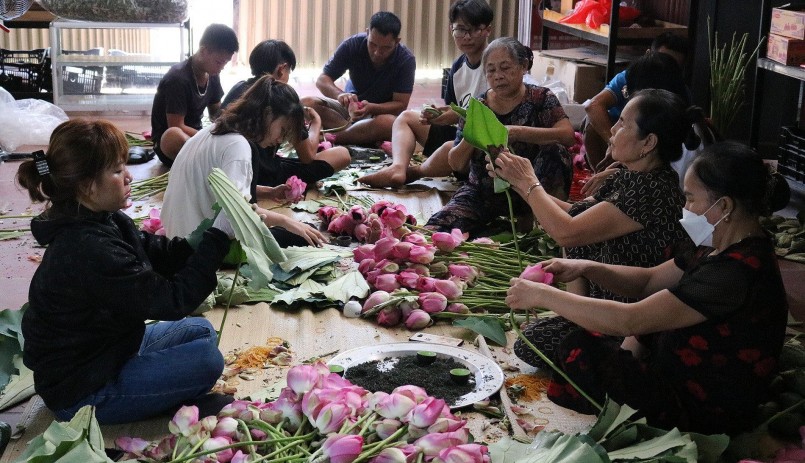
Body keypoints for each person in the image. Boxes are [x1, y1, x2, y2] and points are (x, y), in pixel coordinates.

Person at [506, 141, 791, 435]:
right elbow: (649, 280)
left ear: (725, 206)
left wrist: (542, 294)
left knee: (579, 350)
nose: (685, 208)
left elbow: (629, 320)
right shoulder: (717, 247)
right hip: (674, 364)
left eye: (691, 199)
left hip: (704, 406)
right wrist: (587, 268)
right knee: (587, 345)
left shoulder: (736, 271)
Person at [16, 119, 236, 424]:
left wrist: (201, 237)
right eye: (118, 170)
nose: (129, 176)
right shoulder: (87, 249)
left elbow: (159, 253)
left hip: (109, 349)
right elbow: (173, 301)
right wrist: (217, 241)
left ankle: (155, 390)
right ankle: (146, 402)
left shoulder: (101, 218)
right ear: (87, 186)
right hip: (82, 389)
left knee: (201, 332)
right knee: (207, 361)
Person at [490, 89, 699, 301]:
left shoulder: (651, 190)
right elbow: (575, 215)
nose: (613, 129)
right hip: (595, 307)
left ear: (648, 142)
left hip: (624, 318)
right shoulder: (631, 176)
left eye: (623, 124)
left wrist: (527, 181)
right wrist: (516, 182)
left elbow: (567, 232)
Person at [425, 37, 575, 235]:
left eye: (505, 68)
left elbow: (567, 135)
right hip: (483, 192)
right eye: (491, 70)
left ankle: (539, 222)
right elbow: (456, 164)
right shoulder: (478, 106)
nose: (498, 76)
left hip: (531, 191)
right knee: (436, 231)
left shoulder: (540, 98)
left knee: (557, 152)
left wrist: (516, 132)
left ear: (523, 66)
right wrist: (475, 132)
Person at [162, 75, 328, 247]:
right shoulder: (238, 146)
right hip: (197, 246)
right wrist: (285, 221)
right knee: (301, 233)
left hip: (174, 239)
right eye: (282, 130)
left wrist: (268, 192)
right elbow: (236, 214)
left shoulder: (214, 130)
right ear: (268, 114)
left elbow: (218, 188)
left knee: (298, 229)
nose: (279, 140)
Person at [358, 0, 493, 188]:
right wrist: (438, 115)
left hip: (485, 147)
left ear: (487, 30)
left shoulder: (495, 64)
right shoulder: (457, 67)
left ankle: (413, 172)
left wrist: (452, 116)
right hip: (461, 135)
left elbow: (494, 111)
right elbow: (455, 110)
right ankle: (398, 167)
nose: (467, 37)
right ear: (451, 29)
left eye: (474, 30)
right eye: (460, 29)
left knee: (452, 149)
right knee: (406, 118)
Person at [222, 39, 350, 189]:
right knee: (342, 154)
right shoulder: (282, 97)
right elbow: (307, 156)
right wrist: (316, 123)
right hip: (262, 174)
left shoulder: (237, 89)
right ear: (282, 69)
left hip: (230, 170)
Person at [301, 11, 416, 147]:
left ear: (397, 42)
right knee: (305, 104)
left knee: (389, 123)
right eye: (373, 44)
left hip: (378, 115)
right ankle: (359, 136)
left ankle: (335, 136)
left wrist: (371, 108)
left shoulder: (405, 60)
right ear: (367, 33)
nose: (377, 52)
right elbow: (322, 80)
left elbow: (400, 105)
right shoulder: (352, 45)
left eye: (386, 48)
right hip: (348, 111)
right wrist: (340, 95)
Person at [583, 32, 689, 171]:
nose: (666, 67)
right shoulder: (631, 76)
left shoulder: (676, 95)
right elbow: (593, 106)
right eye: (662, 59)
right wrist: (613, 143)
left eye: (673, 65)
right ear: (648, 55)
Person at [151, 23, 239, 166]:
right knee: (173, 135)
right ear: (204, 51)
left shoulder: (212, 73)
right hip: (170, 142)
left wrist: (231, 126)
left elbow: (216, 113)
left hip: (197, 136)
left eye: (225, 63)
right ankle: (207, 161)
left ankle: (206, 161)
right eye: (219, 62)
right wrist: (211, 138)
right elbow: (176, 125)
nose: (222, 67)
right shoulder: (178, 79)